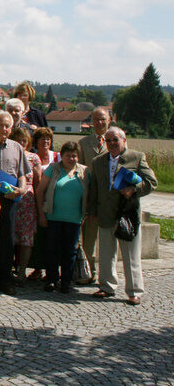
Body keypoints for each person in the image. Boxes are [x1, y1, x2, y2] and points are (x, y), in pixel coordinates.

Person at [88, 127, 157, 306]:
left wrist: (134, 189)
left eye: (115, 140)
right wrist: (92, 211)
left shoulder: (137, 157)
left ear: (124, 140)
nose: (112, 143)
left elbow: (151, 182)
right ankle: (107, 286)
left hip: (127, 214)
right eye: (108, 140)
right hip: (105, 213)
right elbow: (94, 188)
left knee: (130, 255)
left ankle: (134, 291)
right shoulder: (98, 161)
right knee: (105, 253)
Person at [0, 111, 31, 296]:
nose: (4, 129)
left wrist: (22, 189)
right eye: (0, 125)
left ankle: (5, 280)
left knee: (8, 240)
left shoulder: (17, 147)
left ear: (12, 128)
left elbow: (21, 174)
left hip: (10, 199)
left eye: (7, 126)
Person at [35, 141, 89, 294]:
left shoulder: (84, 172)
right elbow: (40, 192)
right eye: (68, 155)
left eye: (74, 156)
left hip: (74, 219)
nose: (71, 159)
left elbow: (89, 195)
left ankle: (66, 281)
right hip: (54, 217)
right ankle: (52, 279)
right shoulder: (54, 169)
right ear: (61, 155)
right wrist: (42, 214)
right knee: (52, 249)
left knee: (70, 252)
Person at [78, 107, 110, 284]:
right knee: (88, 237)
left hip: (109, 198)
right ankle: (90, 272)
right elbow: (80, 170)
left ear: (109, 121)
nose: (99, 123)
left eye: (103, 119)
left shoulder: (115, 141)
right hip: (90, 196)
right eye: (96, 119)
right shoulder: (84, 143)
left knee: (107, 239)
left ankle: (107, 274)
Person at [10, 127, 42, 285]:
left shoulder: (34, 158)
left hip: (28, 202)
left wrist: (39, 206)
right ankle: (8, 269)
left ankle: (22, 271)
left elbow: (38, 183)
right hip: (10, 200)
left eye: (24, 140)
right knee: (9, 237)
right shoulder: (9, 155)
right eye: (18, 140)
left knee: (26, 238)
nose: (21, 143)